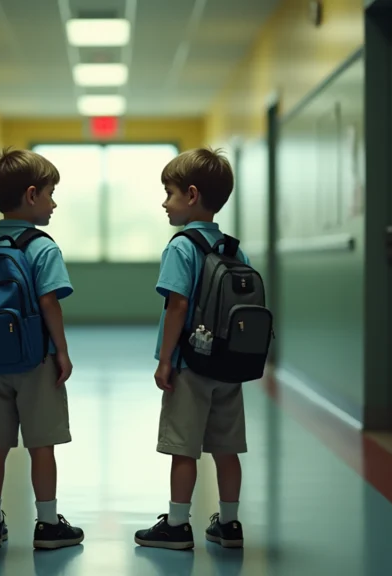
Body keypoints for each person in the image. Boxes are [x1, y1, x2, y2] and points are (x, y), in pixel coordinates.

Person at [0, 147, 84, 550]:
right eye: (50, 193)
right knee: (40, 444)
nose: (53, 202)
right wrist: (61, 352)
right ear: (32, 195)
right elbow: (50, 302)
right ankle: (48, 524)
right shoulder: (42, 247)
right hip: (35, 359)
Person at [134, 147, 250, 550]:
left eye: (169, 193)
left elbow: (177, 305)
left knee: (183, 448)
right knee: (227, 448)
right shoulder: (235, 250)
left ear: (192, 195)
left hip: (191, 365)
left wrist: (166, 360)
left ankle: (178, 524)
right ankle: (230, 524)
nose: (165, 203)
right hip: (229, 366)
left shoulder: (181, 247)